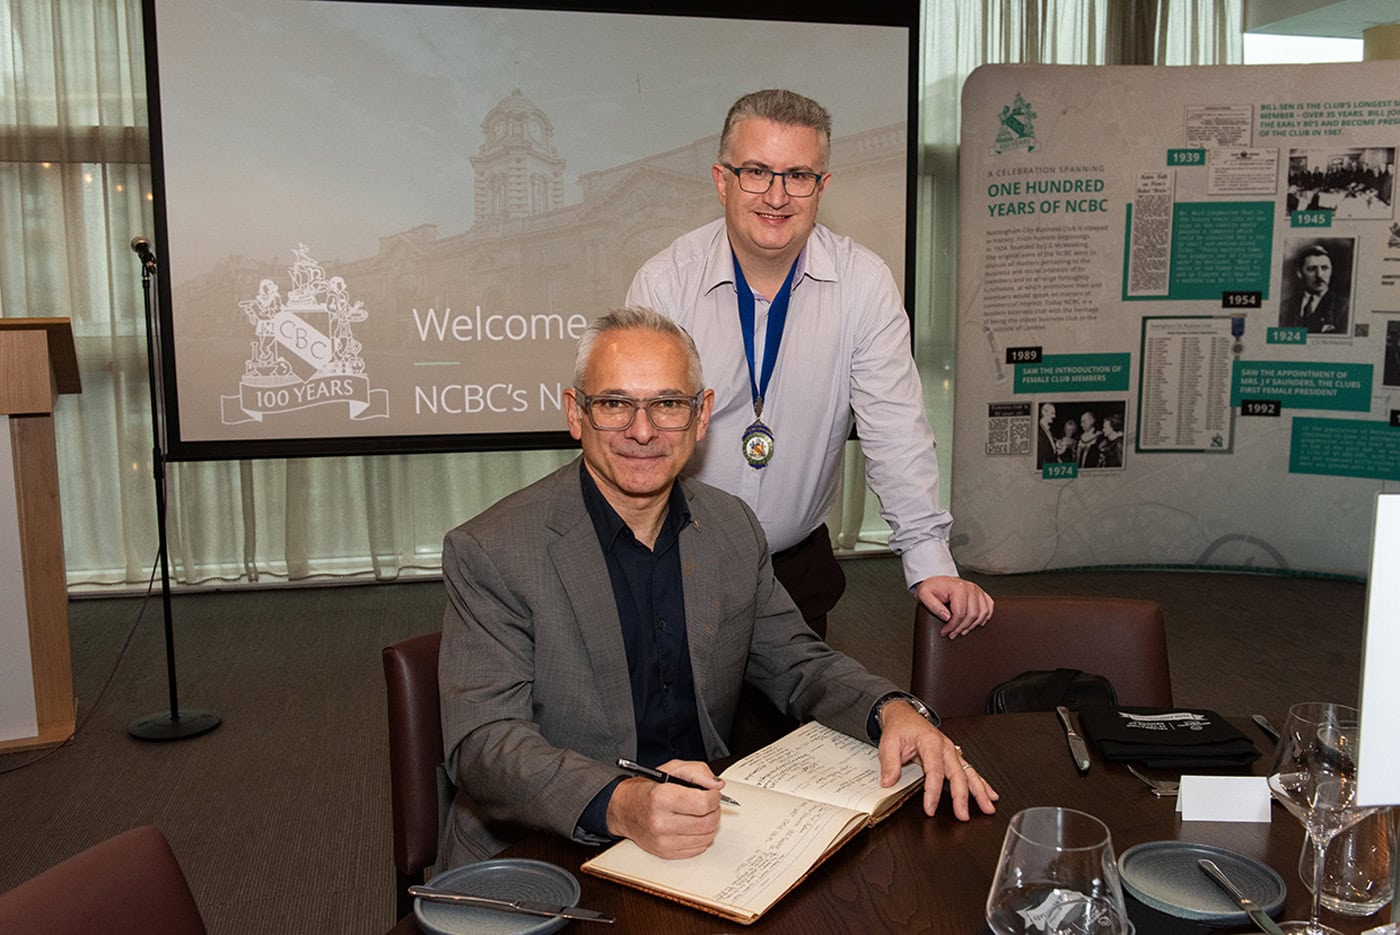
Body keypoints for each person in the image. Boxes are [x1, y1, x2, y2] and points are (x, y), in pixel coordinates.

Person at [436, 307, 998, 869]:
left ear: (701, 415)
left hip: (704, 838)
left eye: (668, 405)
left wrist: (892, 709)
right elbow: (485, 743)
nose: (642, 430)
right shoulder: (493, 550)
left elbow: (799, 663)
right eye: (614, 404)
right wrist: (620, 804)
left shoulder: (731, 527)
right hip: (542, 851)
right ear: (575, 413)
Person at [626, 89, 992, 640]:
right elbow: (638, 437)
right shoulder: (665, 283)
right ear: (722, 181)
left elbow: (895, 431)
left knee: (803, 701)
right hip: (676, 564)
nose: (776, 196)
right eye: (756, 172)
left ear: (822, 187)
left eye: (798, 175)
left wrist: (929, 558)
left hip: (797, 575)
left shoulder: (864, 284)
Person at [1279, 244, 1349, 335]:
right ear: (1299, 273)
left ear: (1331, 271)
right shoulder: (1285, 307)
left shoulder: (1344, 307)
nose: (1319, 275)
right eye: (1312, 269)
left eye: (1324, 268)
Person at [1037, 402, 1058, 468]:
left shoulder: (1047, 429)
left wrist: (1056, 446)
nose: (1054, 416)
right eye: (1052, 413)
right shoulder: (1038, 431)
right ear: (1044, 412)